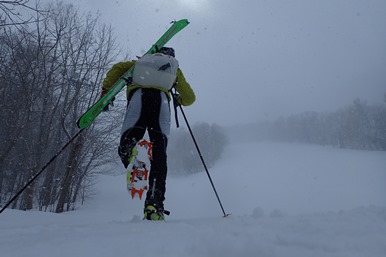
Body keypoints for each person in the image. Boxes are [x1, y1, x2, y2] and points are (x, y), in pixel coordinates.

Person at [101, 47, 195, 221]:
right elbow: (190, 98)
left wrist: (106, 89)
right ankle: (154, 205)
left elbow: (117, 69)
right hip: (161, 107)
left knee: (127, 142)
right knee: (159, 157)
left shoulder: (139, 63)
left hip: (139, 98)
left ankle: (132, 155)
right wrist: (177, 99)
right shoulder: (174, 70)